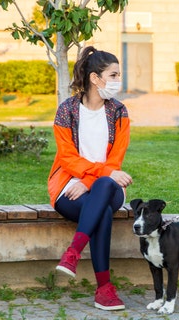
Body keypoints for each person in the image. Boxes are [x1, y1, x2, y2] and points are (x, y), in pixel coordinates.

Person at [47, 46, 132, 311]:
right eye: (114, 74)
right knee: (103, 213)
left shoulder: (119, 112)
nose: (118, 80)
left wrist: (89, 181)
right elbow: (67, 159)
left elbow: (114, 162)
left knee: (105, 185)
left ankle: (73, 252)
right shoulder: (67, 110)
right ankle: (104, 289)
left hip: (107, 185)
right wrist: (87, 180)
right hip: (68, 187)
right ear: (95, 78)